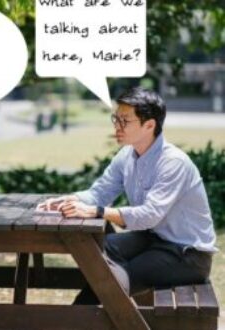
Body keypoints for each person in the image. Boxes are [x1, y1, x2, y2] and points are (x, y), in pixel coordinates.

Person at [39, 87, 217, 304]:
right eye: (116, 119)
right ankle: (87, 311)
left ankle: (80, 315)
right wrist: (71, 199)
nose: (117, 126)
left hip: (186, 254)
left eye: (125, 120)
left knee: (108, 279)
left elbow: (149, 215)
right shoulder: (127, 155)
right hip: (154, 238)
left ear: (149, 125)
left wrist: (97, 212)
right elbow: (101, 192)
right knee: (98, 249)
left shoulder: (173, 162)